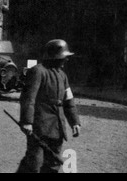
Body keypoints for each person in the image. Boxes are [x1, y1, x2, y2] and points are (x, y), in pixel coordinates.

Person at [17, 39, 81, 173]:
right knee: (34, 163)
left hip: (57, 129)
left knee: (53, 164)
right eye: (64, 57)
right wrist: (27, 121)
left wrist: (75, 122)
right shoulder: (38, 71)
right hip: (39, 127)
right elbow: (28, 98)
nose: (66, 60)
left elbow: (68, 101)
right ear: (55, 57)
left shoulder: (62, 76)